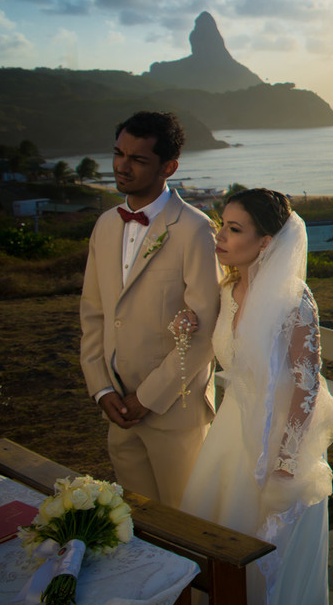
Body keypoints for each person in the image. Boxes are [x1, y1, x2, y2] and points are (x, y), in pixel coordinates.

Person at [180, 188, 333, 605]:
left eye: (234, 229)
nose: (221, 236)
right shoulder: (227, 290)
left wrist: (286, 460)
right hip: (230, 430)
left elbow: (307, 383)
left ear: (266, 242)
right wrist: (190, 323)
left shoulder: (295, 300)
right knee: (217, 539)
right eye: (222, 224)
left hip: (277, 441)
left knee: (262, 554)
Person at [79, 111, 221, 506]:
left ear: (168, 167)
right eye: (118, 154)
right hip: (117, 405)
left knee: (187, 520)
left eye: (138, 159)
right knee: (137, 519)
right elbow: (94, 313)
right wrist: (101, 387)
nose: (122, 166)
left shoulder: (194, 230)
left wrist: (147, 398)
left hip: (174, 409)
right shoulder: (106, 225)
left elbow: (207, 327)